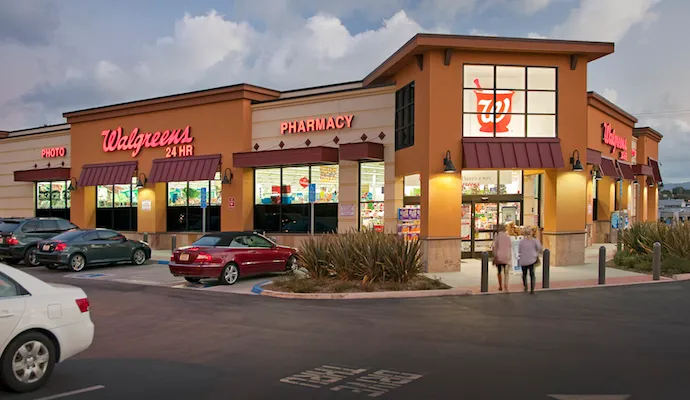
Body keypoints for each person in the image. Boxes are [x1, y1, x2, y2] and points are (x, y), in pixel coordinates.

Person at [518, 227, 542, 294]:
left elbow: (519, 250)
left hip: (523, 260)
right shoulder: (534, 241)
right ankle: (532, 289)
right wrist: (536, 253)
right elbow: (540, 248)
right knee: (532, 274)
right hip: (532, 259)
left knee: (524, 274)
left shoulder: (521, 242)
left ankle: (525, 286)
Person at [492, 224, 512, 291]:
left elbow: (495, 247)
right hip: (506, 256)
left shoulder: (497, 237)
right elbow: (510, 247)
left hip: (499, 256)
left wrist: (494, 256)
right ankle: (506, 285)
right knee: (506, 272)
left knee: (499, 271)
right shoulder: (508, 237)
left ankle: (500, 286)